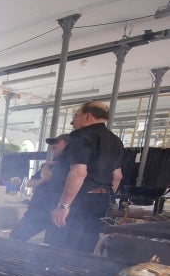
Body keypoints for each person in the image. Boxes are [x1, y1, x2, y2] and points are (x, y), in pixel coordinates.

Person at [50, 101, 124, 254]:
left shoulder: (81, 136)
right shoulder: (116, 141)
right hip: (101, 202)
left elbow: (79, 172)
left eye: (75, 116)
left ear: (88, 116)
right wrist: (106, 199)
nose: (72, 122)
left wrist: (63, 206)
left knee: (64, 249)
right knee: (85, 249)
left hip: (78, 202)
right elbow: (117, 176)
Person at [10, 134, 71, 242]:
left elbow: (48, 177)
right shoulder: (52, 164)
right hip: (37, 211)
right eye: (52, 143)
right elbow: (29, 183)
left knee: (51, 246)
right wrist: (42, 179)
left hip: (53, 212)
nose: (52, 146)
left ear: (67, 144)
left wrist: (45, 166)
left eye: (56, 143)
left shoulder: (69, 165)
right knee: (16, 237)